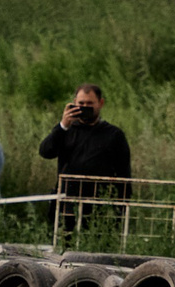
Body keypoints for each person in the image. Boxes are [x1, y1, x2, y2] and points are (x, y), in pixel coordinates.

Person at [38, 82, 133, 235]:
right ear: (74, 103)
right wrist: (62, 125)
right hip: (67, 204)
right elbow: (46, 152)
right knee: (64, 243)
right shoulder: (66, 131)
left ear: (100, 103)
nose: (85, 107)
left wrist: (120, 210)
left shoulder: (114, 135)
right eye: (81, 103)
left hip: (99, 206)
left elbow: (124, 175)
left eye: (90, 104)